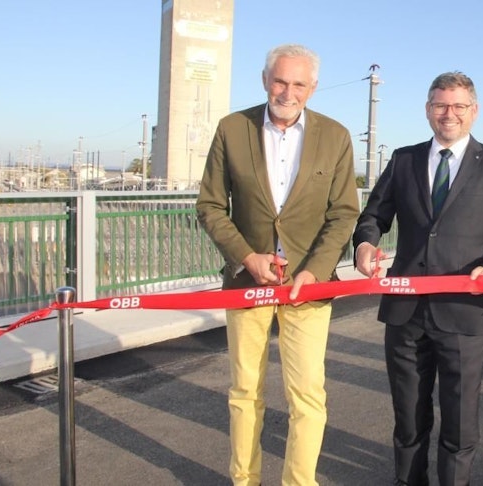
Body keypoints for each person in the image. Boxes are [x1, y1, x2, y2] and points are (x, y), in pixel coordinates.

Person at [353, 71, 483, 486]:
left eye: (458, 106)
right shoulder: (403, 159)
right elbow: (374, 215)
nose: (448, 114)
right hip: (405, 312)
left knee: (459, 419)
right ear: (428, 109)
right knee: (408, 417)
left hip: (464, 310)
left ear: (474, 111)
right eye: (439, 105)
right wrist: (365, 244)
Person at [196, 43, 359, 486]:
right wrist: (248, 256)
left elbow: (344, 212)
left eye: (299, 84)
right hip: (246, 281)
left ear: (313, 87)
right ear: (265, 80)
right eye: (281, 81)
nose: (288, 91)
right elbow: (210, 205)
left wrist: (313, 269)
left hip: (309, 285)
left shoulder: (336, 136)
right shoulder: (232, 129)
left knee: (307, 395)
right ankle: (244, 480)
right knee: (244, 392)